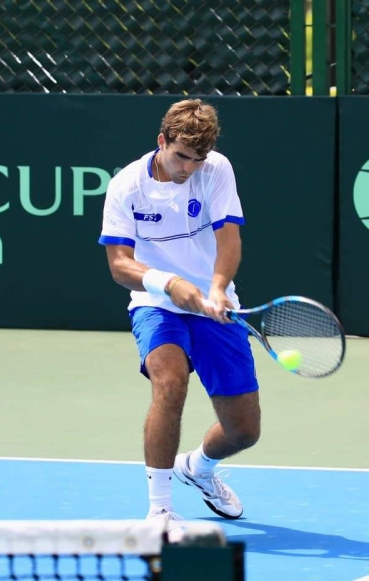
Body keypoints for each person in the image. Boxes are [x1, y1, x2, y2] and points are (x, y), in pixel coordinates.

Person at [98, 99, 260, 523]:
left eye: (197, 159)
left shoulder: (216, 170)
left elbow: (229, 239)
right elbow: (120, 265)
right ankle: (160, 511)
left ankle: (200, 468)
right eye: (181, 156)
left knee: (244, 431)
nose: (188, 168)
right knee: (169, 384)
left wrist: (219, 287)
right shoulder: (126, 186)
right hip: (156, 303)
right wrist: (168, 283)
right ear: (162, 141)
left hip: (213, 305)